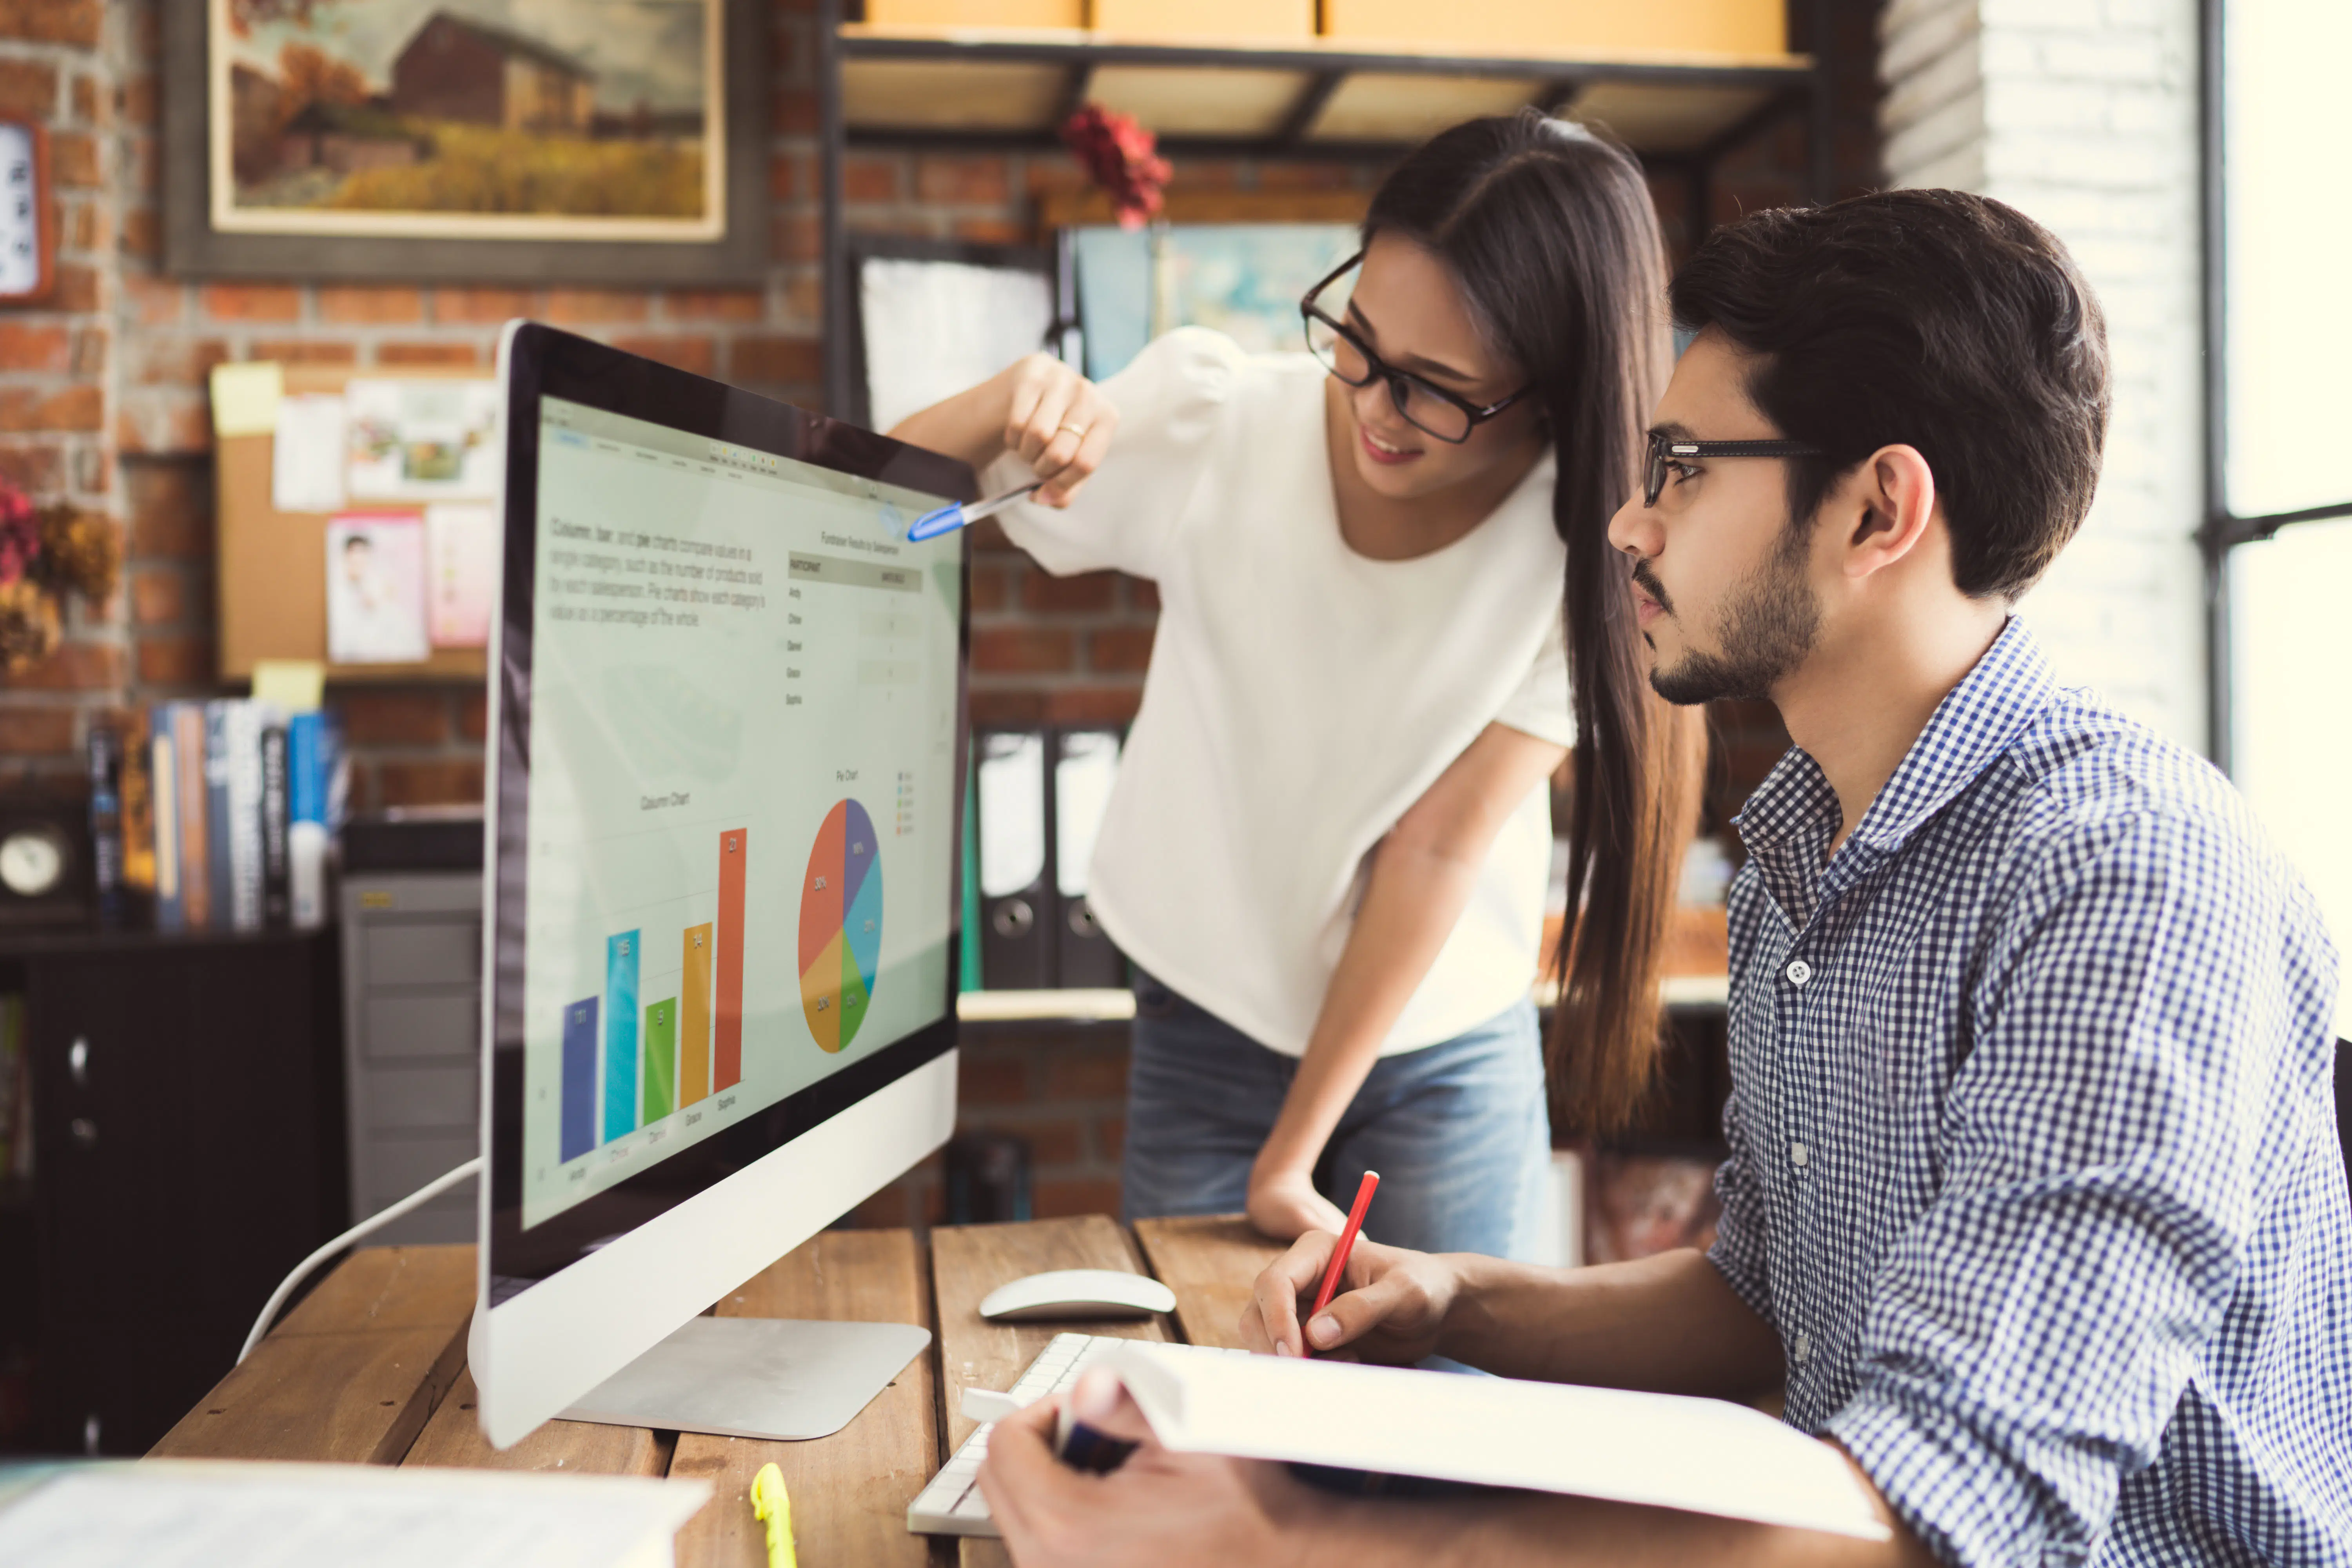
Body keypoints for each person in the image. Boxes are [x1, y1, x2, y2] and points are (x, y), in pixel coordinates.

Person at [972, 189, 2352, 1566]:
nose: (1629, 525)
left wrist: (1275, 1547)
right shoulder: (1807, 859)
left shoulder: (2127, 883)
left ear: (1880, 508)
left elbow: (1951, 1515)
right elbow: (1767, 1300)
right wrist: (1457, 1301)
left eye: (1683, 467)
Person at [892, 114, 1701, 1258]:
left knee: (1460, 1410)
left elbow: (1434, 849)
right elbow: (869, 517)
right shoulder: (1220, 418)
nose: (1372, 404)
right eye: (1356, 338)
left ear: (1553, 391)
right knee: (1192, 1409)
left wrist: (1293, 1151)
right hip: (1205, 1013)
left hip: (1439, 1041)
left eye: (1434, 388)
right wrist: (1004, 400)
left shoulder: (1596, 551)